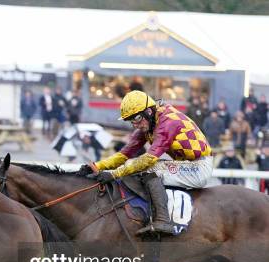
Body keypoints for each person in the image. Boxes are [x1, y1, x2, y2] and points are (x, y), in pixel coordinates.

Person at [77, 90, 213, 236]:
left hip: (199, 168)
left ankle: (163, 220)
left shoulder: (168, 122)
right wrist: (97, 166)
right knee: (141, 169)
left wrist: (113, 174)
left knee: (151, 168)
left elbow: (149, 159)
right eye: (131, 120)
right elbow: (124, 154)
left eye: (137, 118)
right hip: (187, 165)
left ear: (148, 111)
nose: (135, 124)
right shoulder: (150, 121)